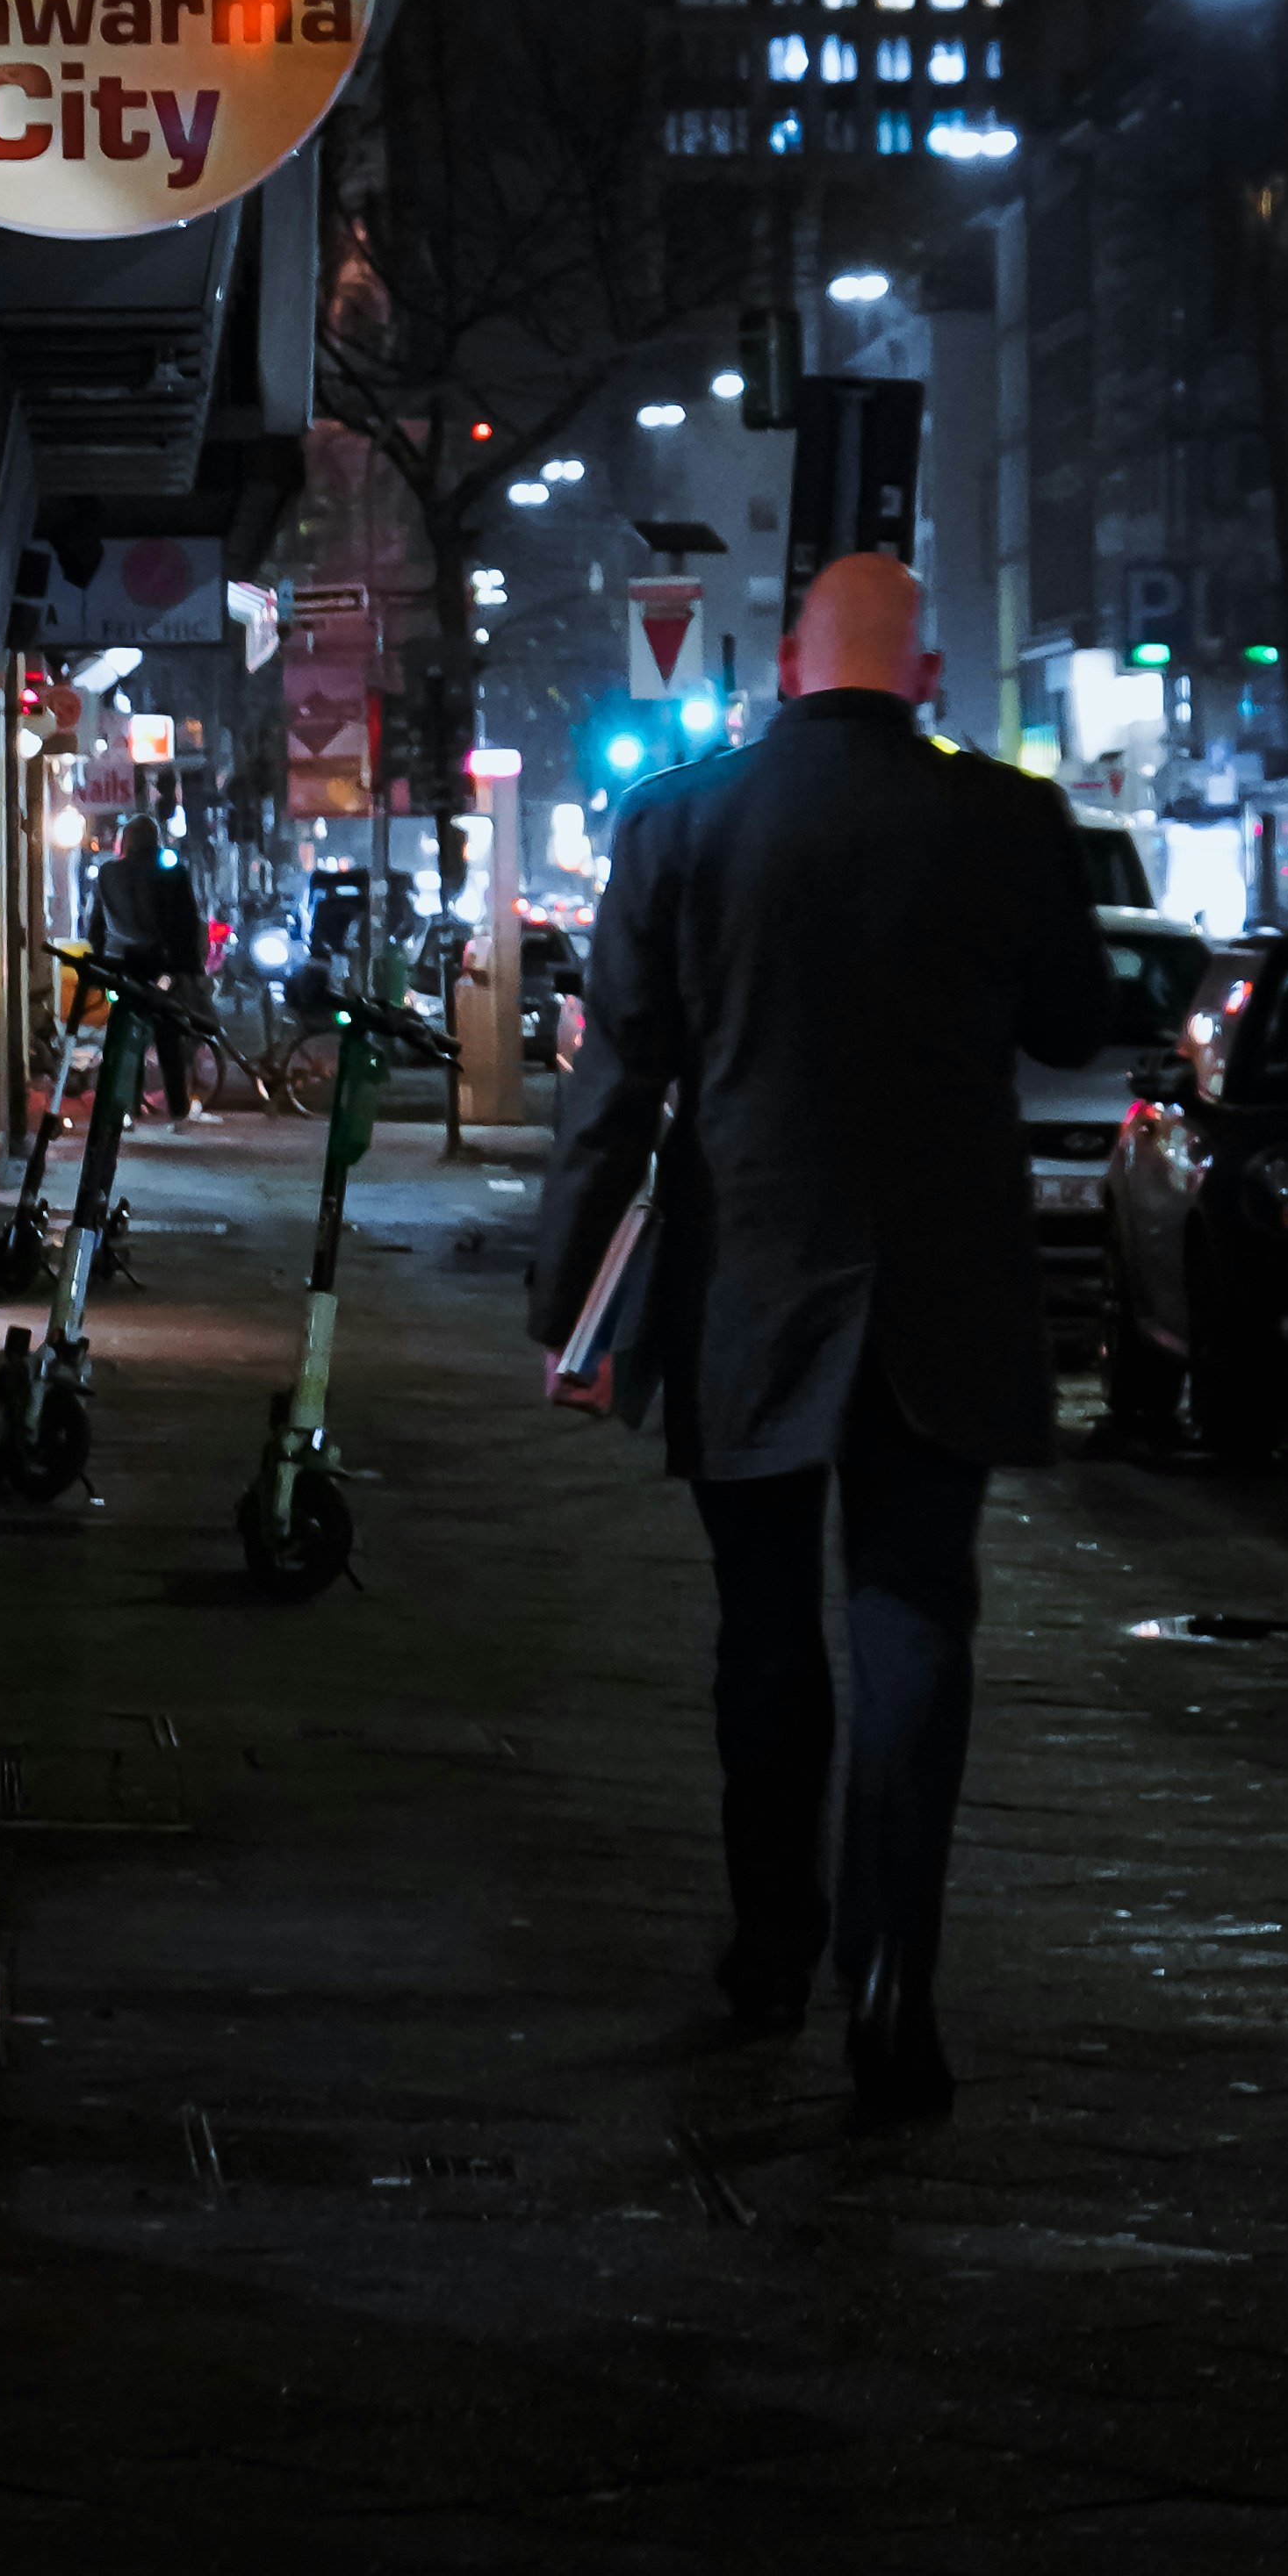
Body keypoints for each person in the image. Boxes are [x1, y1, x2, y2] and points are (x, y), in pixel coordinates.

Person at [527, 556, 1113, 2123]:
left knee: (766, 1632)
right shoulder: (1004, 818)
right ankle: (893, 1973)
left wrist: (571, 1302)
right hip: (949, 1292)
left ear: (787, 664)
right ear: (922, 674)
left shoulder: (682, 821)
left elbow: (620, 1084)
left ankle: (770, 1943)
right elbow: (1074, 1022)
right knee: (920, 1620)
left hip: (750, 1288)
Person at [86, 814, 209, 1126]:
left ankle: (126, 1106)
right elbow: (185, 924)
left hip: (120, 966)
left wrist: (101, 960)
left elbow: (96, 925)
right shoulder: (171, 874)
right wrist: (189, 967)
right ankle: (178, 1108)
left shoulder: (108, 874)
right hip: (159, 966)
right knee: (168, 1036)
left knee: (124, 1037)